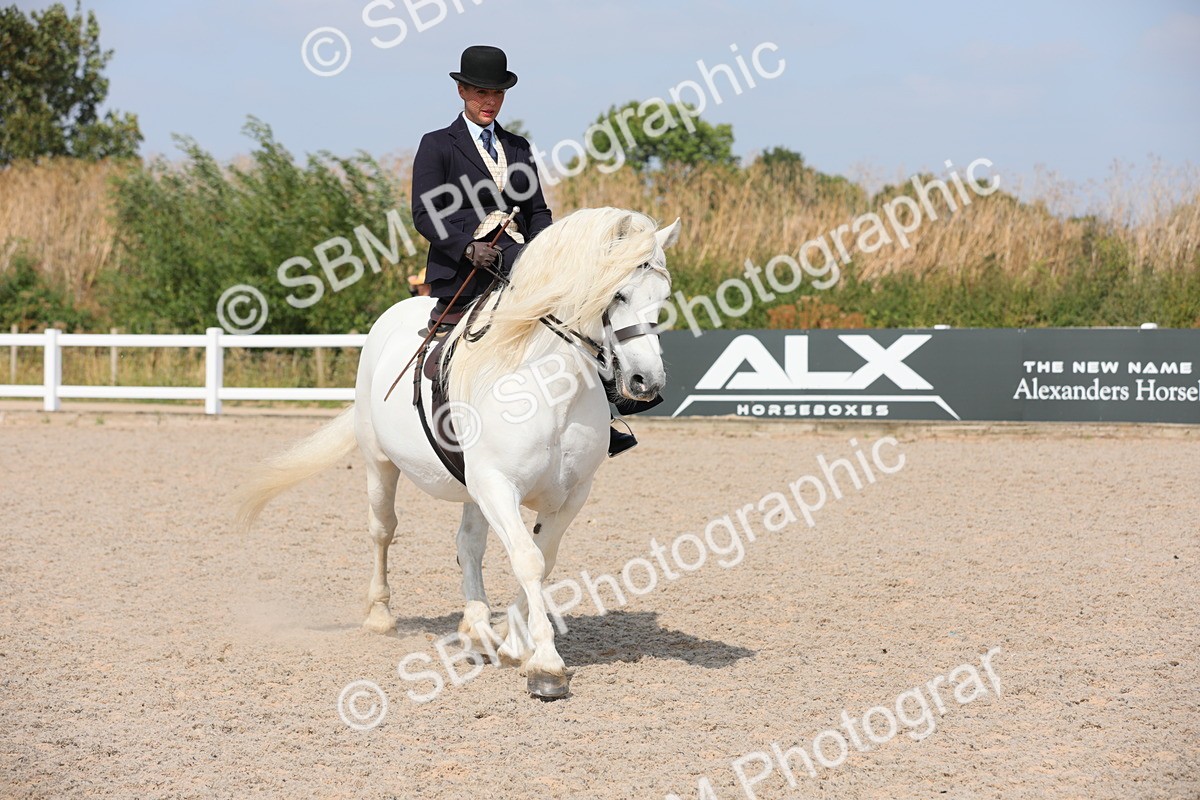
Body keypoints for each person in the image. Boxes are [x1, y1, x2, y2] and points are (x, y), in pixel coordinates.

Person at [410, 45, 652, 456]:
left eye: (498, 94)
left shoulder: (518, 147)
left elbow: (537, 211)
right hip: (465, 268)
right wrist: (467, 248)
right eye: (482, 93)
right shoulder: (438, 145)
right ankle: (445, 418)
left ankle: (607, 414)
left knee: (579, 319)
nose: (490, 102)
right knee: (452, 351)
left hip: (520, 260)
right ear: (462, 92)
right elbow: (424, 213)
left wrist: (550, 256)